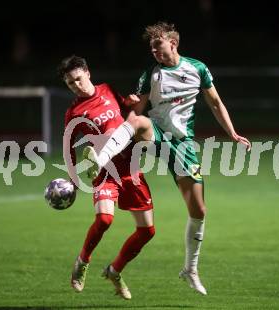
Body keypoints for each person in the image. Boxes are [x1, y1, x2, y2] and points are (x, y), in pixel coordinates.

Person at [83, 22, 251, 296]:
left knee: (199, 211)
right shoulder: (151, 73)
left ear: (173, 43)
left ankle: (190, 269)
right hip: (156, 133)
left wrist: (232, 133)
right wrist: (132, 103)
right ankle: (99, 159)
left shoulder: (197, 68)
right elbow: (134, 113)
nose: (154, 51)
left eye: (158, 46)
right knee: (138, 121)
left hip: (182, 144)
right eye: (151, 48)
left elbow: (216, 103)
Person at [59, 55, 156, 300]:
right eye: (71, 83)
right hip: (104, 171)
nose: (76, 85)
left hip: (130, 168)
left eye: (78, 79)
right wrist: (73, 179)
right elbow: (68, 148)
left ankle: (114, 270)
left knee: (148, 231)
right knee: (104, 219)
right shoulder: (74, 113)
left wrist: (131, 101)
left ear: (88, 73)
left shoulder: (108, 90)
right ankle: (82, 262)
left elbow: (126, 112)